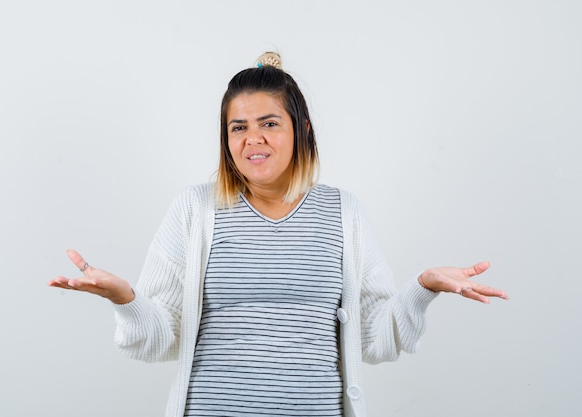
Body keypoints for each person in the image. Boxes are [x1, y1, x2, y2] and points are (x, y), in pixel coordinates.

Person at [49, 52, 508, 417]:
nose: (253, 139)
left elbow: (374, 339)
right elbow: (159, 339)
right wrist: (125, 298)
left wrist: (422, 287)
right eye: (238, 127)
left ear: (301, 130)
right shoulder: (195, 209)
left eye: (269, 123)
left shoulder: (343, 213)